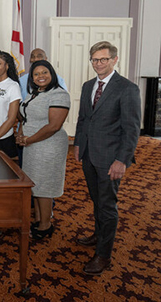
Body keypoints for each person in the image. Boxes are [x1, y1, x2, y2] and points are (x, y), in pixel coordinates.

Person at [74, 41, 141, 276]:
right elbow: (83, 118)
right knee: (97, 200)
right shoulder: (87, 86)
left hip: (111, 159)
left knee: (107, 205)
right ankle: (98, 234)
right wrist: (78, 145)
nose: (98, 63)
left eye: (103, 59)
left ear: (114, 60)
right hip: (89, 155)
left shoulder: (127, 88)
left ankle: (103, 254)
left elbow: (132, 130)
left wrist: (122, 160)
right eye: (94, 59)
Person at [16, 60, 70, 240]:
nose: (41, 77)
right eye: (36, 74)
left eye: (44, 72)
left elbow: (54, 126)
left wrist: (28, 139)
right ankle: (39, 219)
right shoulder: (35, 93)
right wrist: (22, 135)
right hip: (32, 145)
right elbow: (26, 118)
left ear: (52, 74)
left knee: (45, 186)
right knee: (36, 184)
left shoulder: (59, 94)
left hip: (48, 146)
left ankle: (45, 225)